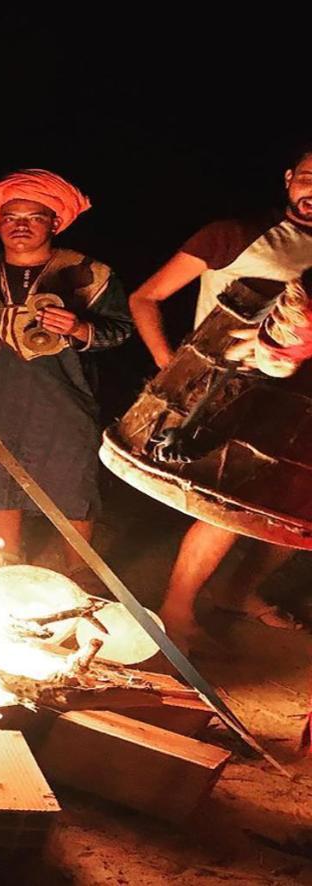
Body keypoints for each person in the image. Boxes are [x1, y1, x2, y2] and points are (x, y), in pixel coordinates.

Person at [128, 146, 312, 648]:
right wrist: (174, 367)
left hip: (302, 402)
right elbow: (145, 298)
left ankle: (237, 591)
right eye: (308, 177)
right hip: (235, 392)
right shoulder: (233, 235)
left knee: (296, 516)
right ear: (289, 178)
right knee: (225, 508)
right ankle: (177, 609)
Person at [0, 170, 132, 570]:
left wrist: (78, 327)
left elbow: (120, 330)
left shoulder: (87, 273)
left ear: (54, 222)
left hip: (61, 396)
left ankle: (81, 573)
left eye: (34, 217)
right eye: (11, 218)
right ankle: (8, 569)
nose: (21, 226)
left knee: (72, 475)